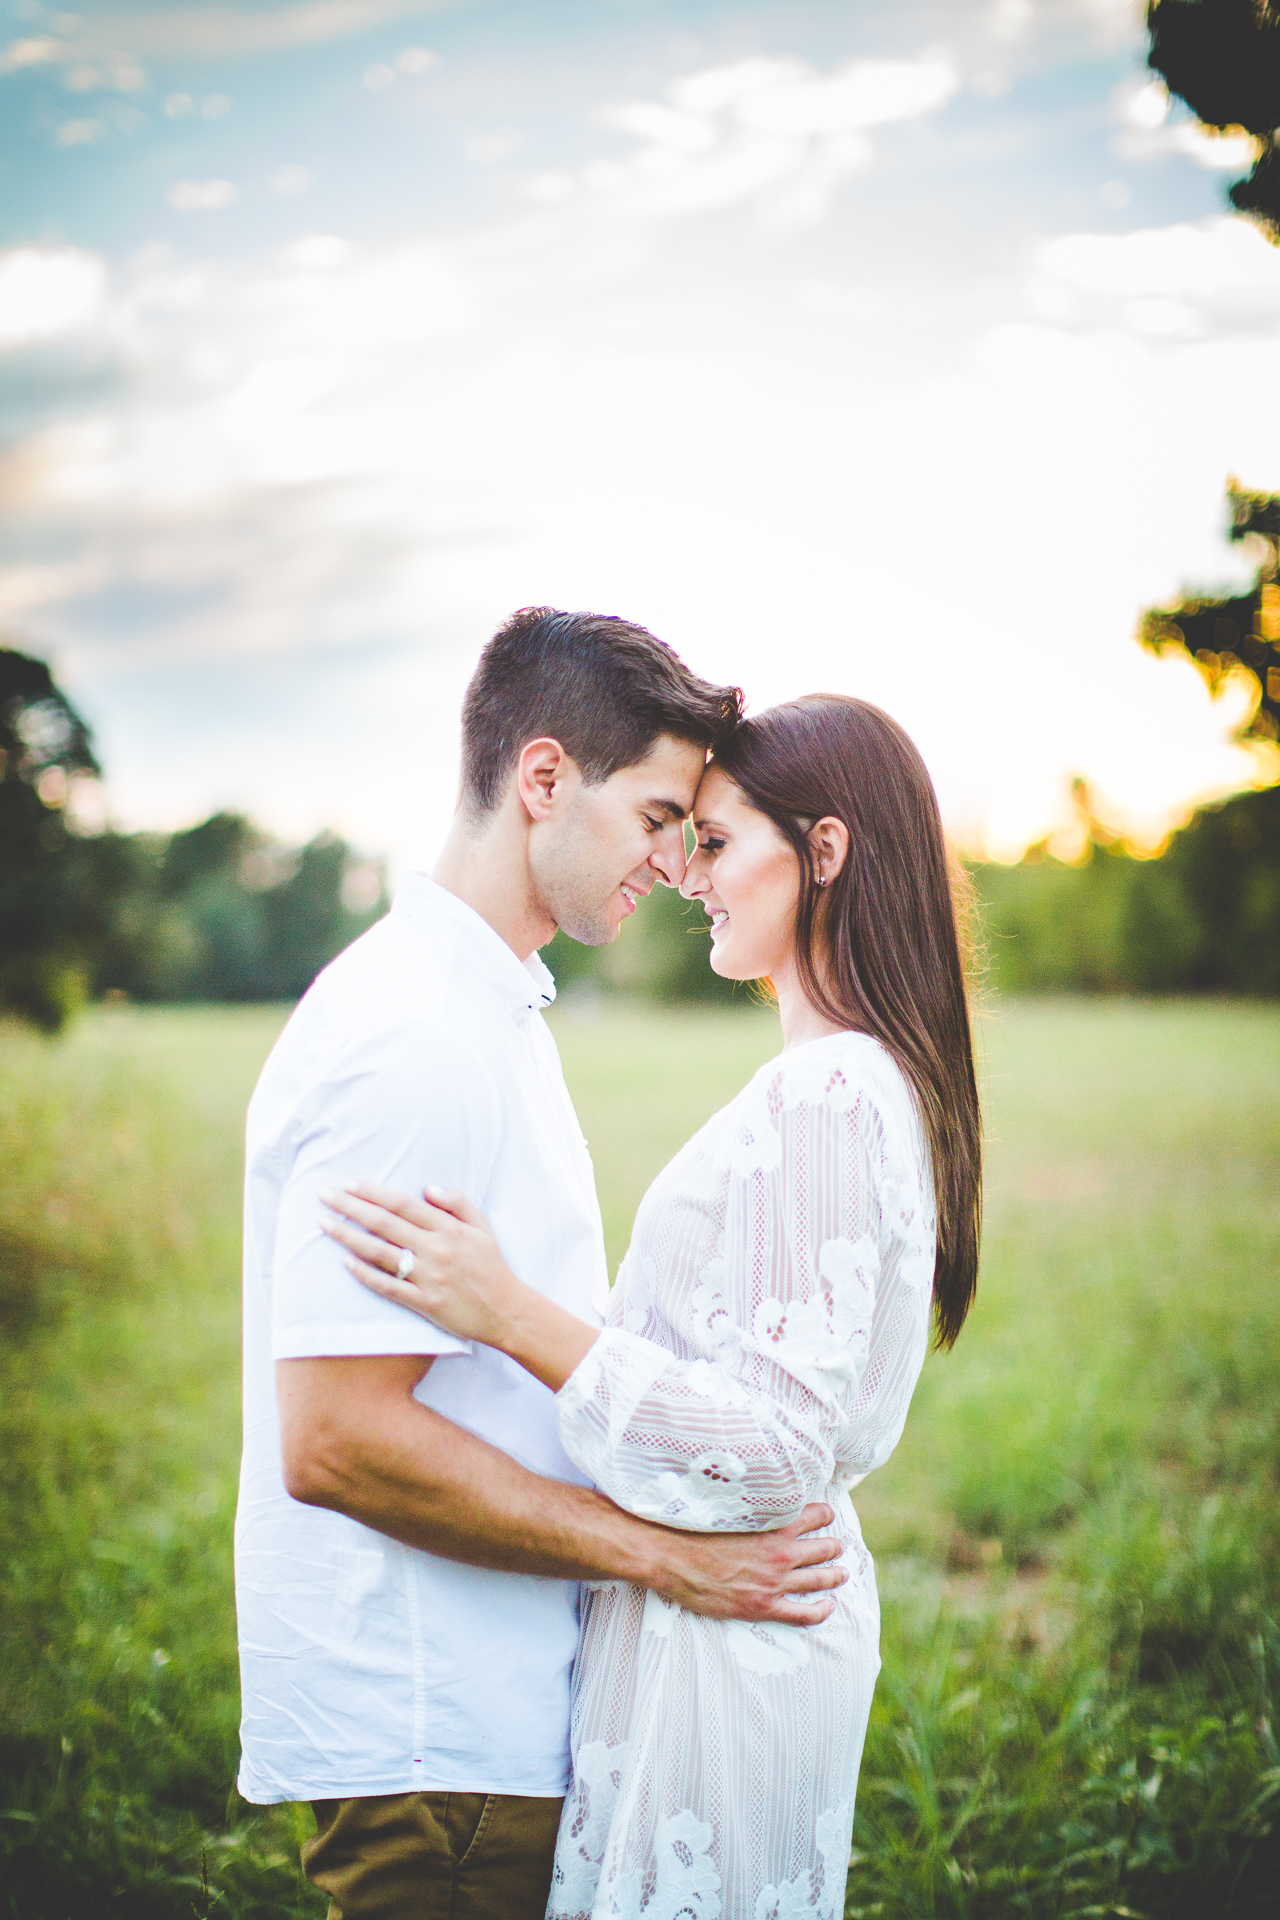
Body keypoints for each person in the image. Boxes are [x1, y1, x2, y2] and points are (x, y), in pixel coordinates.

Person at [321, 692, 984, 1920]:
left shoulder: (826, 1096)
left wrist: (510, 1313)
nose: (686, 874)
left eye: (718, 842)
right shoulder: (851, 1079)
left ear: (824, 853)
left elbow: (778, 1449)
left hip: (724, 1644)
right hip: (728, 1627)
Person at [234, 610, 848, 1920]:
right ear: (546, 779)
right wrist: (662, 1556)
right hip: (439, 1748)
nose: (676, 863)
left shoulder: (486, 1011)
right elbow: (335, 1440)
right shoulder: (419, 1039)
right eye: (656, 816)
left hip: (489, 1726)